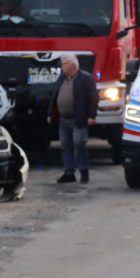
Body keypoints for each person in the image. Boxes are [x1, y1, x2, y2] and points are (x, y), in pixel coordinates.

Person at [47, 53, 98, 184]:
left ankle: (84, 171)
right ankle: (69, 173)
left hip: (79, 118)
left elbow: (93, 98)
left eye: (64, 64)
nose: (61, 67)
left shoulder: (86, 78)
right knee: (65, 145)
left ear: (73, 65)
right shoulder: (62, 78)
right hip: (63, 119)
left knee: (79, 144)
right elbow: (55, 96)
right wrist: (50, 114)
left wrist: (92, 116)